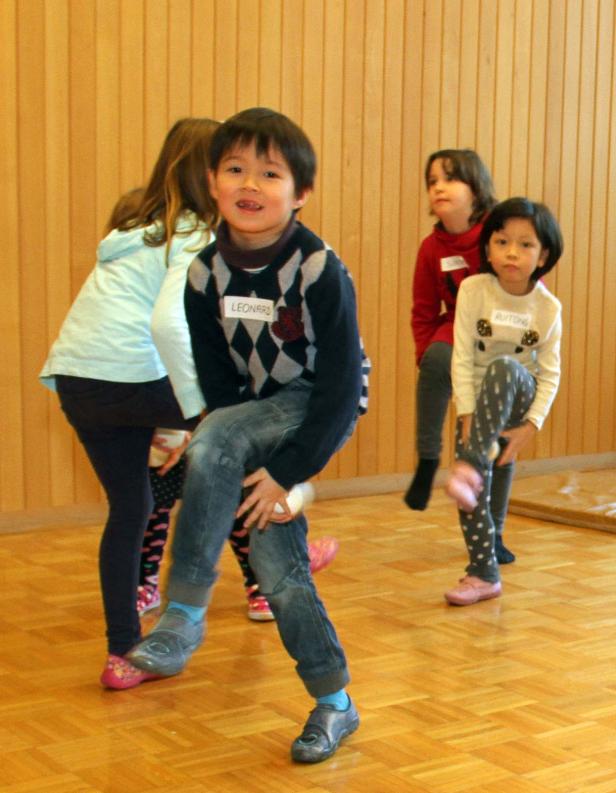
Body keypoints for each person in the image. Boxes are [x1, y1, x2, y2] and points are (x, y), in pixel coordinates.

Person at [127, 107, 369, 764]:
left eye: (270, 173)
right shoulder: (203, 275)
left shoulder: (318, 269)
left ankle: (183, 614)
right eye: (235, 169)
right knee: (281, 574)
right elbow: (220, 386)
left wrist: (289, 471)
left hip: (317, 406)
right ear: (212, 181)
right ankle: (335, 703)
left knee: (211, 439)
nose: (250, 184)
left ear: (301, 192)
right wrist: (245, 468)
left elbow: (341, 386)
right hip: (253, 416)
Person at [39, 118, 220, 690]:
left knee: (131, 507)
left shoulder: (133, 231)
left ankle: (122, 653)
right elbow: (168, 324)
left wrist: (171, 419)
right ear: (207, 174)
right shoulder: (193, 233)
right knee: (241, 428)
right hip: (130, 377)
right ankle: (288, 539)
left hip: (78, 381)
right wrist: (194, 406)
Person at [443, 197, 563, 606]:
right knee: (475, 483)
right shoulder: (473, 290)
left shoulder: (548, 308)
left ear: (542, 255)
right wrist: (465, 413)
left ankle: (470, 465)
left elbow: (550, 373)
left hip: (519, 395)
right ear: (488, 248)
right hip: (478, 403)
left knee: (504, 369)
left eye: (525, 245)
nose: (512, 253)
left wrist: (531, 426)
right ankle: (484, 572)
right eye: (502, 242)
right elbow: (462, 355)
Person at [403, 150, 516, 564]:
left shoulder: (495, 234)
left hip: (499, 337)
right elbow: (423, 311)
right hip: (456, 332)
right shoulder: (431, 248)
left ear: (476, 189)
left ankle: (495, 532)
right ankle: (428, 459)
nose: (439, 187)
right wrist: (424, 354)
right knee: (435, 357)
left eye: (450, 179)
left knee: (498, 441)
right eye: (432, 181)